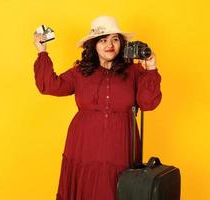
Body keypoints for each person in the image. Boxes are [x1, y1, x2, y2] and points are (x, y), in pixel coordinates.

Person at [33, 16, 162, 200]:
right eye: (103, 40)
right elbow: (49, 85)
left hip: (121, 145)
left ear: (122, 43)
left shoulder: (134, 71)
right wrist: (42, 51)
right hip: (84, 145)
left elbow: (148, 104)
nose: (110, 45)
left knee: (118, 189)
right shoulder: (80, 72)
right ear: (93, 44)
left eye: (115, 39)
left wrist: (151, 68)